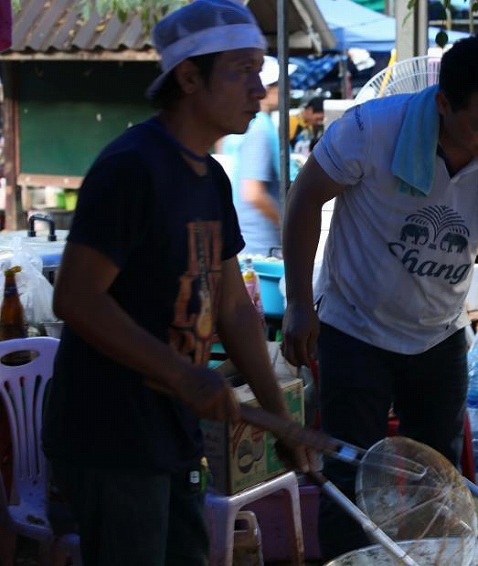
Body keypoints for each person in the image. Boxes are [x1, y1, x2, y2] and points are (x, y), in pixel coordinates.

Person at [281, 30, 478, 559]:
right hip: (353, 329)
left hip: (440, 339)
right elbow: (304, 200)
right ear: (444, 103)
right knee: (352, 487)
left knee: (440, 491)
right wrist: (297, 304)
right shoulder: (371, 129)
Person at [41, 1, 314, 564]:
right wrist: (183, 376)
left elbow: (236, 309)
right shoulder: (132, 168)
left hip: (171, 434)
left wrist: (280, 421)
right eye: (243, 70)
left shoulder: (210, 178)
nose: (259, 90)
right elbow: (75, 297)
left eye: (259, 71)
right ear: (189, 76)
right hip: (110, 435)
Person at [223, 55, 283, 257]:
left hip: (244, 240)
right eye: (279, 84)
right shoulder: (260, 127)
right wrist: (285, 223)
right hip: (259, 246)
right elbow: (252, 192)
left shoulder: (243, 125)